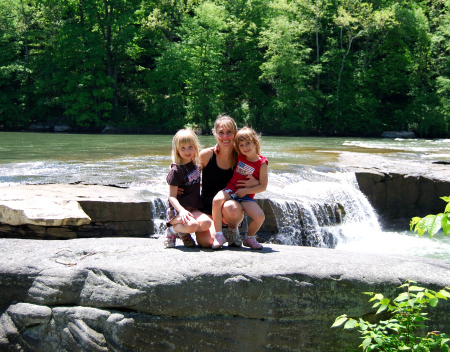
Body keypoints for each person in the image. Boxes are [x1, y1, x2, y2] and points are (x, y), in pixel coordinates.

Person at [195, 115, 259, 248]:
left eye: (229, 132)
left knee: (231, 207)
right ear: (215, 134)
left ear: (235, 133)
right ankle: (216, 232)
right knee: (207, 243)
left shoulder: (242, 157)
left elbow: (258, 172)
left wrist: (254, 181)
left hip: (230, 209)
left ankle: (232, 230)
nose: (225, 137)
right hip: (207, 209)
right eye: (221, 133)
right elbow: (188, 174)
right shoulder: (206, 155)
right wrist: (178, 186)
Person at [211, 127, 267, 250]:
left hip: (246, 196)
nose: (245, 147)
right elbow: (227, 145)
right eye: (241, 145)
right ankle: (219, 235)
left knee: (260, 217)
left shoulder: (262, 163)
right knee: (216, 200)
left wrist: (246, 191)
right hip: (231, 189)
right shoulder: (240, 155)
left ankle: (249, 238)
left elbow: (263, 186)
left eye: (248, 143)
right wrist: (217, 145)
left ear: (255, 142)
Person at [164, 129, 213, 248]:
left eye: (190, 147)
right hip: (179, 210)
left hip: (193, 206)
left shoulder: (195, 164)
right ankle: (172, 229)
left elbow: (192, 179)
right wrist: (181, 211)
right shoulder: (176, 171)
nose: (187, 151)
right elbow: (172, 196)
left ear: (196, 146)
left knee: (207, 223)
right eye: (183, 148)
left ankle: (183, 232)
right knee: (192, 226)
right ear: (177, 150)